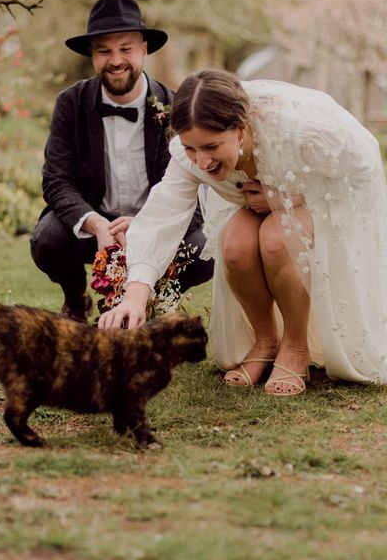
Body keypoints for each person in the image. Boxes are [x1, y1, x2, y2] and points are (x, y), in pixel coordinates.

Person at [99, 68, 387, 394]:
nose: (202, 162)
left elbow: (362, 171)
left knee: (277, 240)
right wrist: (135, 299)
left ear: (240, 131)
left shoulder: (303, 131)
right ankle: (265, 341)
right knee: (235, 245)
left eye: (211, 146)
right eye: (192, 148)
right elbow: (162, 216)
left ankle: (295, 346)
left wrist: (289, 198)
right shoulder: (187, 153)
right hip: (253, 200)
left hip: (320, 197)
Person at [30, 0, 214, 323]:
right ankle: (75, 299)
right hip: (95, 230)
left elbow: (190, 196)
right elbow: (56, 181)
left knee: (205, 251)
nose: (116, 60)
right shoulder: (70, 104)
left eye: (125, 49)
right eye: (104, 51)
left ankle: (152, 300)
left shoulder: (175, 108)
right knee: (48, 239)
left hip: (155, 223)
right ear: (92, 56)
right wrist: (96, 223)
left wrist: (145, 225)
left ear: (144, 49)